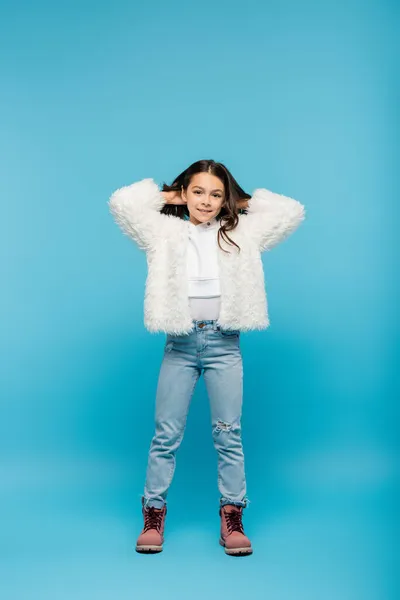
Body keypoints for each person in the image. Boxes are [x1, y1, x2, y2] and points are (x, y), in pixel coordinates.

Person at [108, 159, 306, 556]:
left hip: (224, 344)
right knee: (166, 434)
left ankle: (232, 516)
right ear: (185, 193)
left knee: (227, 432)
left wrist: (238, 201)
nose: (207, 201)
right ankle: (153, 512)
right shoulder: (162, 231)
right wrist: (172, 196)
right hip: (179, 344)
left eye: (216, 194)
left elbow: (291, 212)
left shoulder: (241, 231)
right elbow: (122, 204)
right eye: (198, 192)